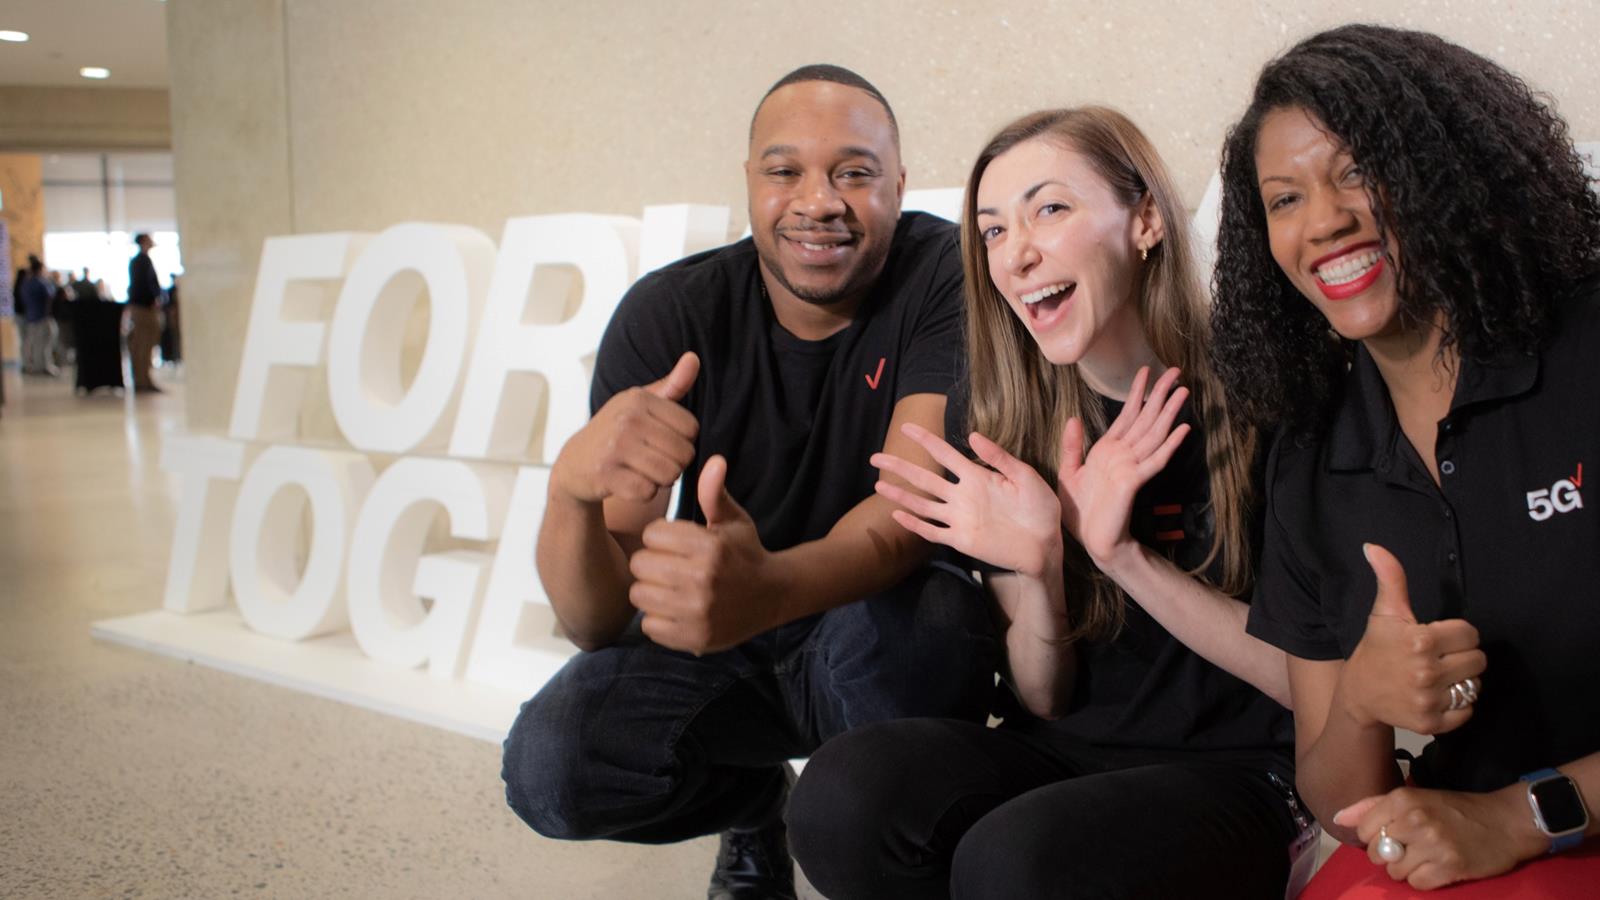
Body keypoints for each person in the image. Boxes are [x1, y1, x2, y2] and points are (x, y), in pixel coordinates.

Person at [500, 65, 998, 900]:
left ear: (899, 184)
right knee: (553, 767)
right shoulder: (669, 313)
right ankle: (755, 799)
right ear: (749, 183)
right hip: (724, 637)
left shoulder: (943, 277)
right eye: (785, 171)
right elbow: (595, 622)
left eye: (854, 172)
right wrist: (569, 496)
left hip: (870, 619)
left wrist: (766, 587)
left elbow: (907, 511)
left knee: (939, 624)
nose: (819, 200)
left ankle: (872, 836)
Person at [788, 106, 1304, 900]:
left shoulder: (1270, 397)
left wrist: (1118, 555)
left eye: (1049, 209)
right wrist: (1037, 568)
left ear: (1145, 221)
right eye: (992, 232)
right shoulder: (999, 418)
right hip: (1063, 755)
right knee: (840, 797)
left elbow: (1310, 683)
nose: (1017, 254)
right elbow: (1043, 697)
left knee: (1014, 862)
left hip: (1242, 771)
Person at [1210, 24, 1600, 895]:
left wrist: (1525, 814)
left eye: (1356, 170)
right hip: (1461, 840)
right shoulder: (1310, 457)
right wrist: (1360, 700)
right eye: (1284, 199)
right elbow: (1339, 795)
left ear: (1446, 170)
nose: (1325, 221)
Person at [126, 233, 163, 393]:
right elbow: (143, 286)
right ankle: (141, 380)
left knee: (145, 344)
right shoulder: (140, 261)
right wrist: (152, 301)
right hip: (143, 308)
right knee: (142, 343)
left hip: (143, 307)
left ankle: (144, 379)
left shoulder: (142, 260)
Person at [19, 255, 58, 376]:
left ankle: (36, 366)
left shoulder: (26, 283)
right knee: (45, 343)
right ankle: (43, 366)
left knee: (34, 343)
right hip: (42, 316)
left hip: (31, 316)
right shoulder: (41, 283)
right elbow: (50, 297)